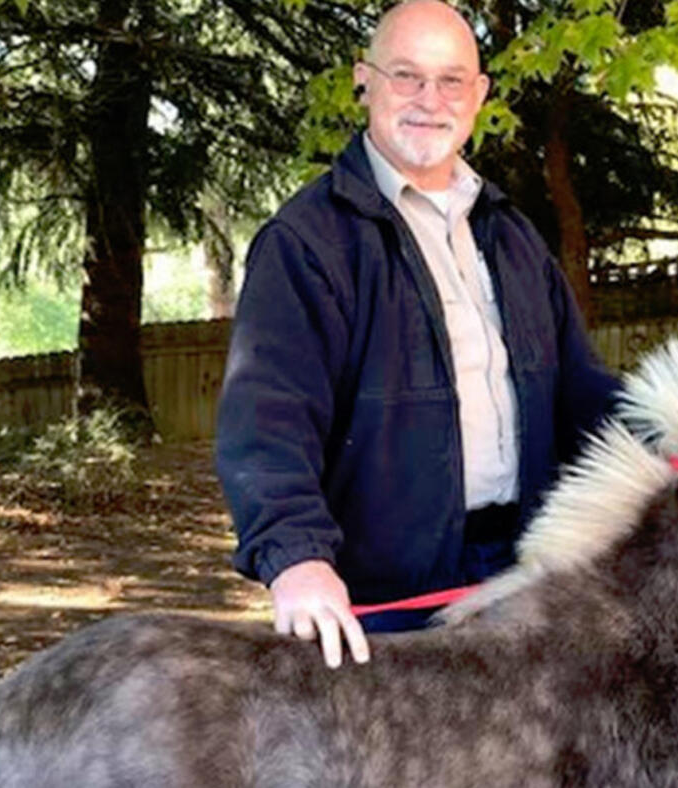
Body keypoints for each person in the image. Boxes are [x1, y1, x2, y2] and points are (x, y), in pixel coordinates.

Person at [215, 0, 621, 669]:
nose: (429, 100)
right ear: (363, 80)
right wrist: (298, 561)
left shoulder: (512, 235)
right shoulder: (308, 242)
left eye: (451, 80)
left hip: (526, 566)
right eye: (406, 75)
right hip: (382, 595)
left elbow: (580, 394)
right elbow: (266, 421)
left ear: (479, 95)